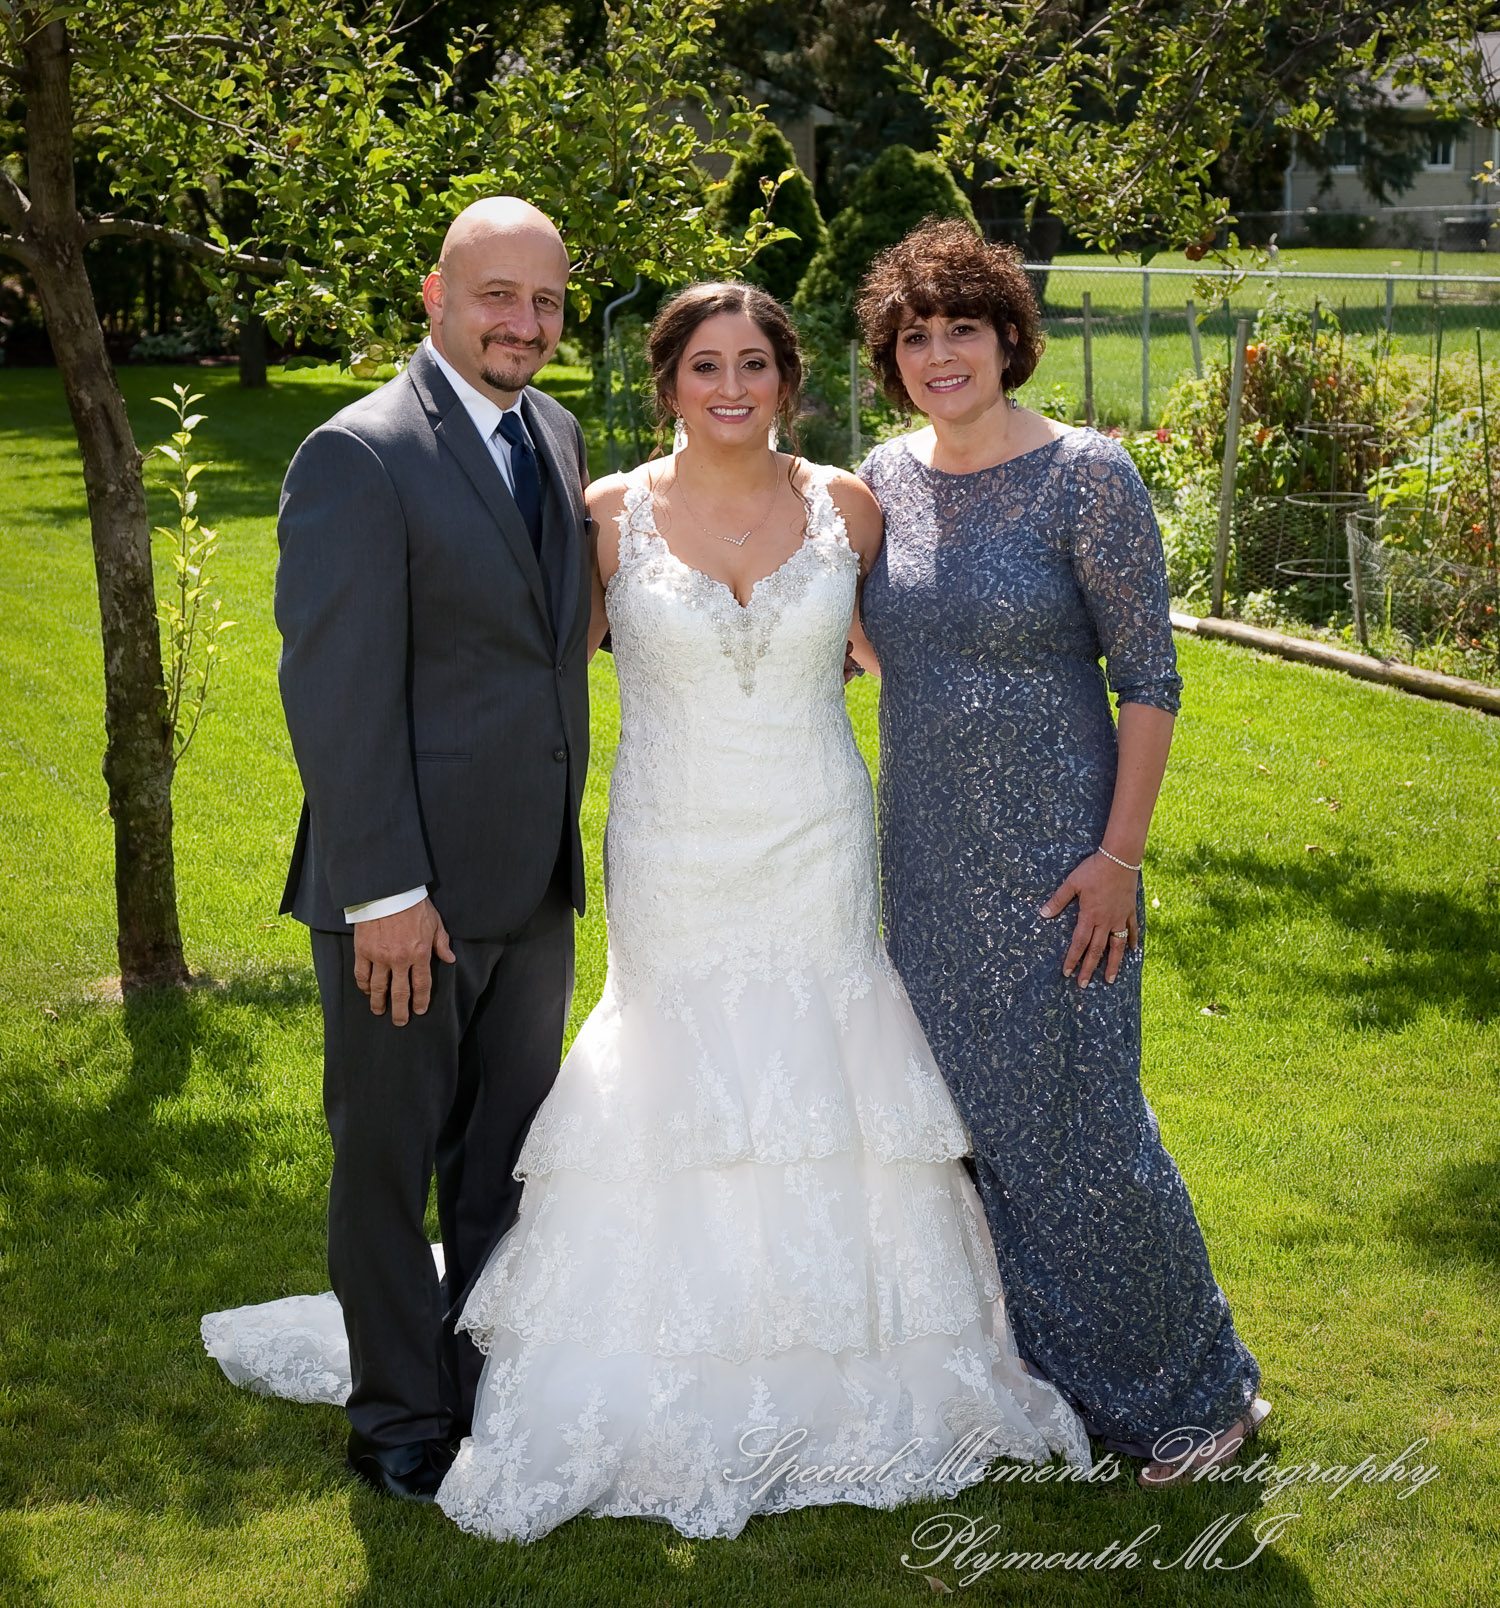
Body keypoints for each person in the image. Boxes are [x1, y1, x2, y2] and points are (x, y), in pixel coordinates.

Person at [205, 279, 1089, 1541]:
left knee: (825, 1068)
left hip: (816, 836)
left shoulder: (852, 507)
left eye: (756, 365)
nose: (731, 389)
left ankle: (862, 1363)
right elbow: (507, 668)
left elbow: (919, 664)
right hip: (674, 846)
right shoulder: (608, 514)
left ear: (790, 377)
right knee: (672, 1073)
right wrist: (408, 846)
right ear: (667, 382)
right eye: (704, 367)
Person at [853, 219, 1268, 1489]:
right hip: (924, 866)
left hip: (1063, 864)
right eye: (914, 336)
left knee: (1086, 1131)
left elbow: (1150, 677)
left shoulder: (1088, 476)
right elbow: (861, 630)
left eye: (961, 329)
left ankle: (1201, 1392)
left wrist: (1119, 857)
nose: (939, 355)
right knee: (973, 1135)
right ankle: (1050, 1378)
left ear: (1008, 338)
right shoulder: (881, 478)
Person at [235, 197, 594, 1502]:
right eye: (499, 294)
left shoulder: (552, 434)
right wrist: (384, 889)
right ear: (435, 293)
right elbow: (335, 694)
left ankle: (485, 1387)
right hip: (407, 896)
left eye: (546, 301)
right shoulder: (359, 453)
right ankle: (396, 1418)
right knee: (386, 1169)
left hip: (536, 885)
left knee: (505, 1164)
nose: (525, 322)